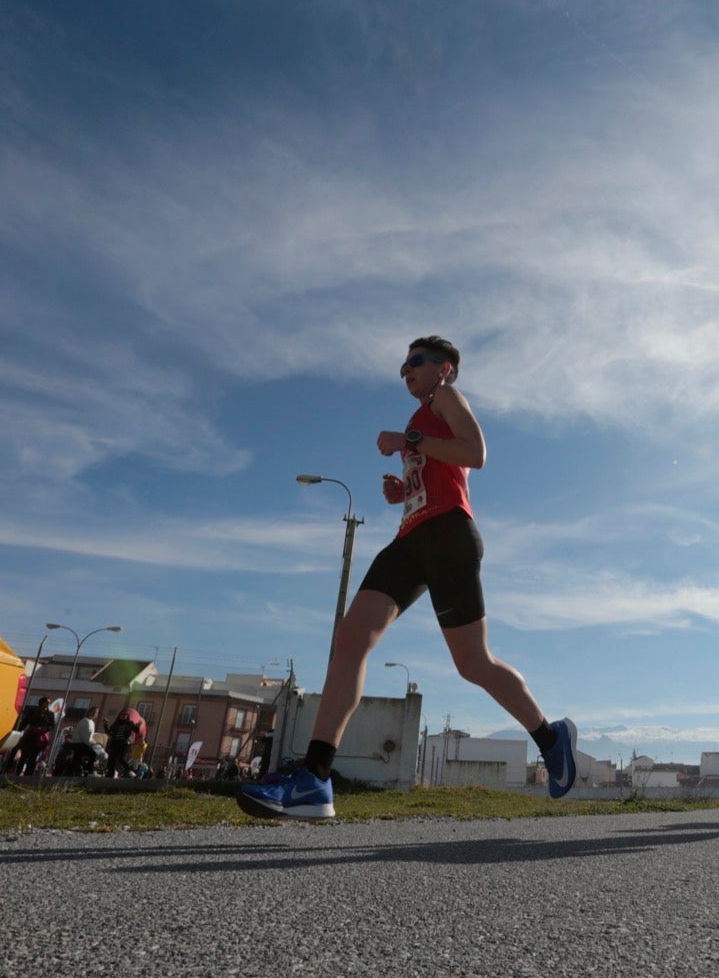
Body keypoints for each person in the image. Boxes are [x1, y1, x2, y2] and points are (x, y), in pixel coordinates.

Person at [240, 336, 578, 820]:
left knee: (473, 663)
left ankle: (551, 736)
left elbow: (475, 452)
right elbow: (439, 471)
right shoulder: (421, 414)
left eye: (415, 362)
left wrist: (411, 442)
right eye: (402, 366)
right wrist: (404, 489)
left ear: (445, 369)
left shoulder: (444, 398)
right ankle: (315, 777)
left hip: (449, 536)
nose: (406, 371)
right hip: (411, 539)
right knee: (352, 636)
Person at [106, 709, 138, 778]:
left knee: (121, 758)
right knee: (112, 759)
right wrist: (105, 725)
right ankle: (109, 775)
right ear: (119, 715)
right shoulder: (116, 723)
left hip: (123, 744)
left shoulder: (130, 723)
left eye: (125, 715)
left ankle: (130, 772)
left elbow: (136, 731)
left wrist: (137, 726)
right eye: (122, 714)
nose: (123, 716)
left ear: (127, 716)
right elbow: (109, 733)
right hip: (115, 744)